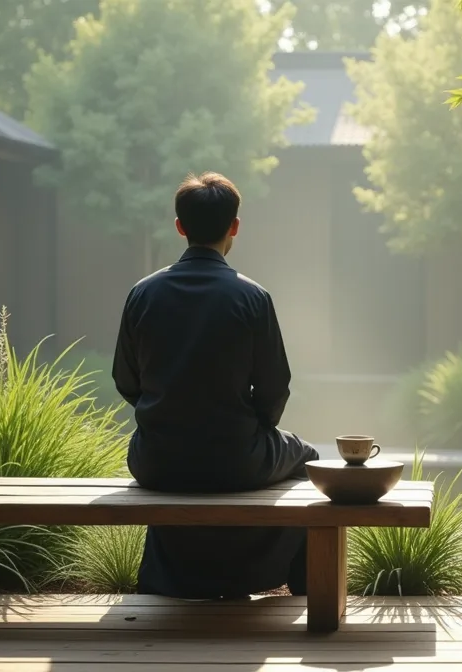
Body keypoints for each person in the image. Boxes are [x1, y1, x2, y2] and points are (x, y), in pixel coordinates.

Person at [112, 172, 321, 600]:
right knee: (309, 457)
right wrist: (256, 425)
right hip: (236, 457)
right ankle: (294, 589)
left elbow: (125, 380)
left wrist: (164, 409)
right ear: (235, 227)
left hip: (156, 459)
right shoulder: (252, 298)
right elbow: (274, 390)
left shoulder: (142, 293)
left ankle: (172, 576)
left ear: (179, 227)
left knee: (184, 470)